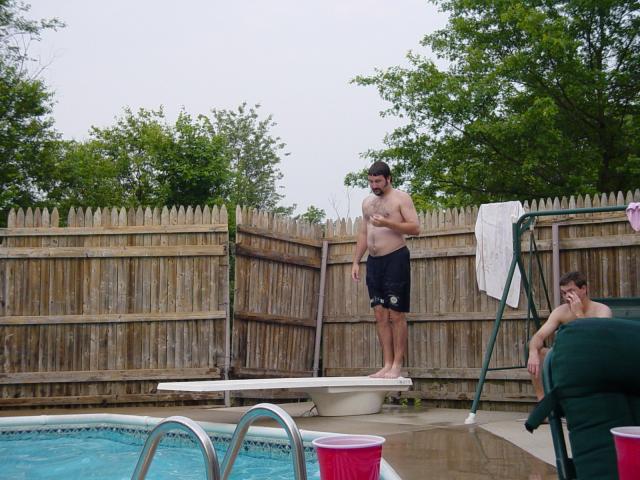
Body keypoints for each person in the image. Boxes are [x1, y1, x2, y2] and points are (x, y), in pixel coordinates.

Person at [351, 161, 420, 378]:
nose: (374, 186)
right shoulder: (367, 203)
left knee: (396, 314)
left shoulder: (401, 198)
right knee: (380, 313)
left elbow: (415, 228)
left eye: (378, 181)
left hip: (395, 258)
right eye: (371, 181)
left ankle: (397, 364)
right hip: (374, 262)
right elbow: (364, 233)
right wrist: (356, 261)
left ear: (388, 178)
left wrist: (388, 224)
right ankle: (387, 364)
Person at [527, 271, 612, 400]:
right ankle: (543, 403)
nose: (567, 296)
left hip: (592, 358)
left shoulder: (602, 310)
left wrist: (579, 314)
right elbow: (539, 336)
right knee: (539, 354)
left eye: (571, 291)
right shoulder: (561, 311)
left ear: (583, 289)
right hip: (566, 357)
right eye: (564, 293)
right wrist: (533, 352)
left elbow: (597, 339)